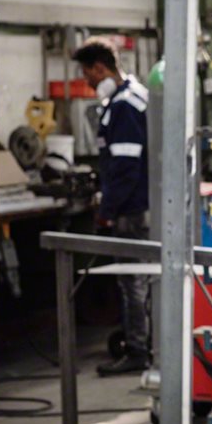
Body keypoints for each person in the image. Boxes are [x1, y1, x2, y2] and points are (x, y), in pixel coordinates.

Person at [72, 37, 152, 376]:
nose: (88, 82)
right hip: (142, 203)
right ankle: (147, 344)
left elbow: (125, 167)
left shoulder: (123, 105)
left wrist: (107, 210)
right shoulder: (136, 95)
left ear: (100, 68)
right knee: (143, 279)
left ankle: (137, 351)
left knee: (131, 281)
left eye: (87, 74)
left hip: (131, 209)